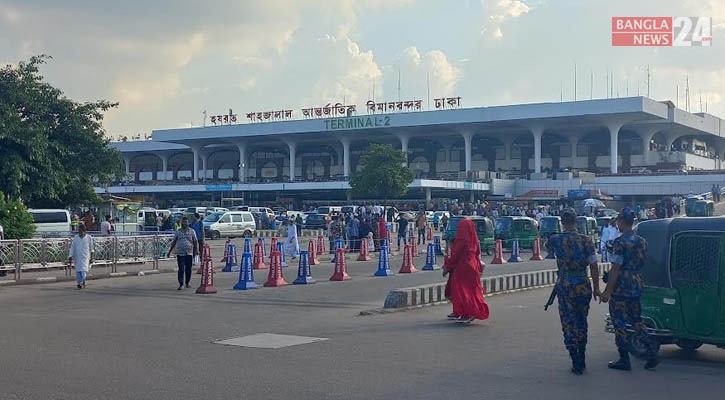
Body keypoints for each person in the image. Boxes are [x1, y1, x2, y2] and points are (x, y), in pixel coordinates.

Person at [600, 207, 659, 371]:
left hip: (622, 286)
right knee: (636, 319)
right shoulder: (642, 241)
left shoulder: (620, 242)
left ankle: (624, 359)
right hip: (636, 282)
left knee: (619, 322)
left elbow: (616, 268)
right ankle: (651, 350)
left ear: (621, 222)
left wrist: (607, 291)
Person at [546, 209, 600, 375]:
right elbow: (593, 265)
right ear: (576, 221)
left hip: (565, 285)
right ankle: (582, 356)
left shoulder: (556, 240)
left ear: (562, 222)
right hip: (583, 285)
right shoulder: (587, 240)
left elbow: (547, 247)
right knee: (581, 321)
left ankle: (574, 358)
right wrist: (597, 288)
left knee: (568, 323)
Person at [441, 219, 489, 323]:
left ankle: (468, 312)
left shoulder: (462, 240)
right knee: (470, 291)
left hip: (463, 267)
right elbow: (478, 252)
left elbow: (455, 255)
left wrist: (447, 267)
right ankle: (462, 311)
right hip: (473, 266)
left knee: (460, 291)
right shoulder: (474, 239)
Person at [166, 217, 198, 290]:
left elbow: (195, 241)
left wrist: (196, 251)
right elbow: (174, 242)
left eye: (186, 222)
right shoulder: (178, 232)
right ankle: (181, 284)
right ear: (181, 223)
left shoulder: (192, 231)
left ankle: (187, 282)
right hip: (180, 253)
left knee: (188, 269)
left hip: (189, 252)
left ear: (188, 223)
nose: (184, 224)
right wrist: (169, 251)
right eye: (183, 222)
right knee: (181, 269)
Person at [68, 224, 94, 289]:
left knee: (84, 270)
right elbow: (72, 248)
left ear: (84, 231)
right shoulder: (76, 238)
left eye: (81, 231)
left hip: (86, 257)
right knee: (78, 270)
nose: (80, 232)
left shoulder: (89, 238)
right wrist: (70, 256)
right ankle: (80, 282)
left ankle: (81, 282)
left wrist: (92, 258)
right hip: (77, 257)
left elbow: (91, 249)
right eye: (79, 231)